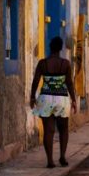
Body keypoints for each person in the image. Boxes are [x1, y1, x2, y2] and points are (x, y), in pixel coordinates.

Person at [30, 36, 77, 168]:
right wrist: (73, 100)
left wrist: (32, 97)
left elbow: (35, 82)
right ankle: (62, 156)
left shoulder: (42, 63)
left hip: (46, 98)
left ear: (50, 47)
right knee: (63, 129)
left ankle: (50, 160)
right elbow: (69, 83)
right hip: (61, 98)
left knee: (48, 131)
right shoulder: (65, 64)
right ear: (61, 48)